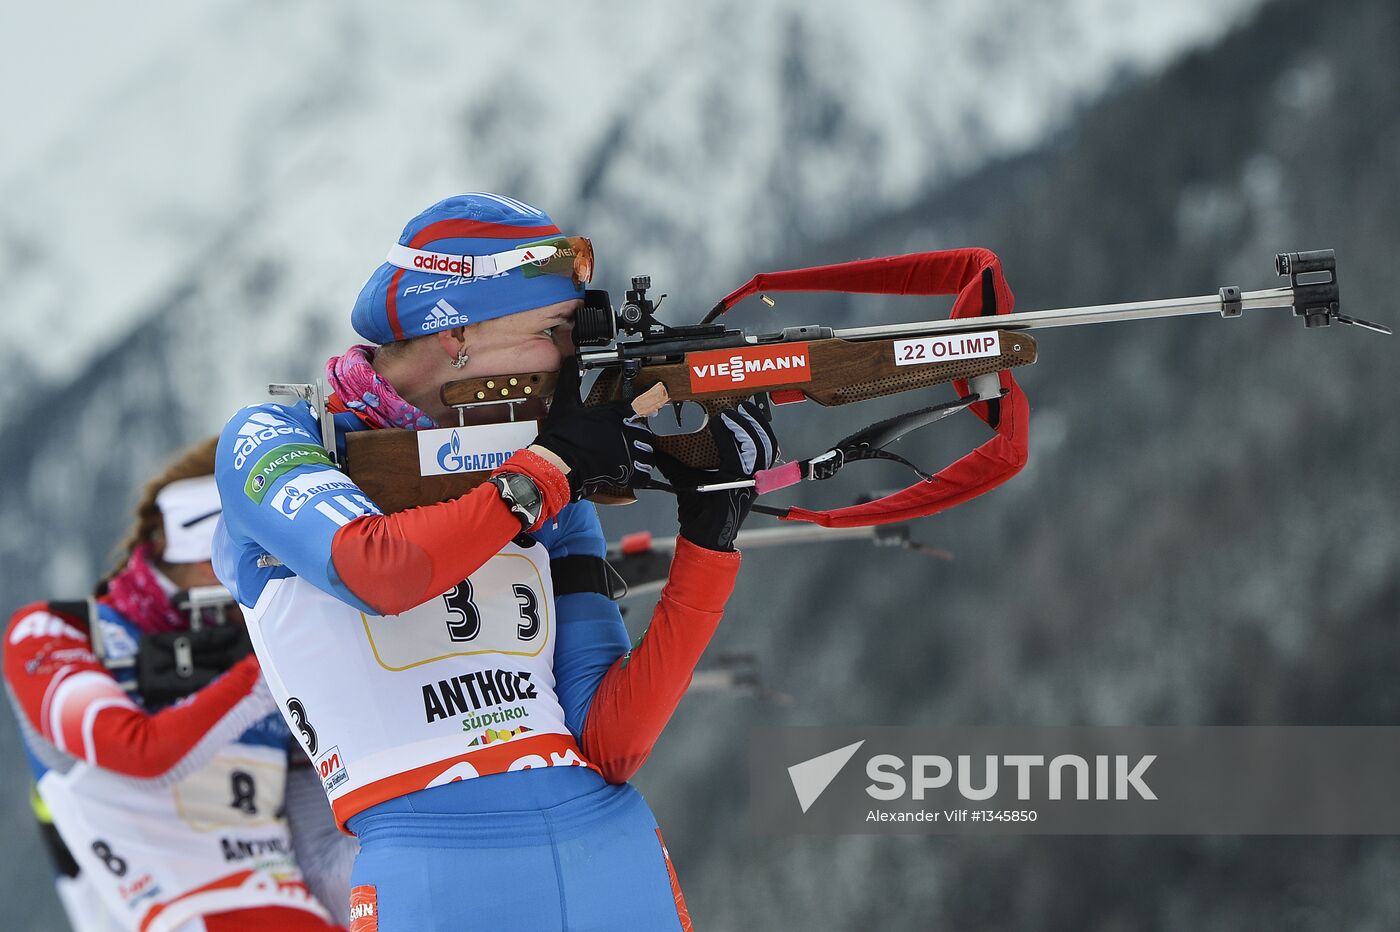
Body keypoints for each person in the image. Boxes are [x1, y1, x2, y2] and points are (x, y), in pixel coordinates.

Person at [212, 192, 779, 930]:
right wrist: (548, 469)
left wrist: (709, 540)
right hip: (434, 875)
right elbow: (377, 570)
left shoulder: (542, 475)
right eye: (552, 331)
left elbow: (610, 743)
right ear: (456, 333)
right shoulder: (277, 435)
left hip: (613, 856)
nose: (568, 361)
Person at [4, 439, 343, 932]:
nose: (238, 571)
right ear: (168, 538)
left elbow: (322, 855)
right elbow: (141, 753)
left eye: (263, 554)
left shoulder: (262, 639)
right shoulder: (60, 632)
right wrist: (264, 676)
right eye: (222, 551)